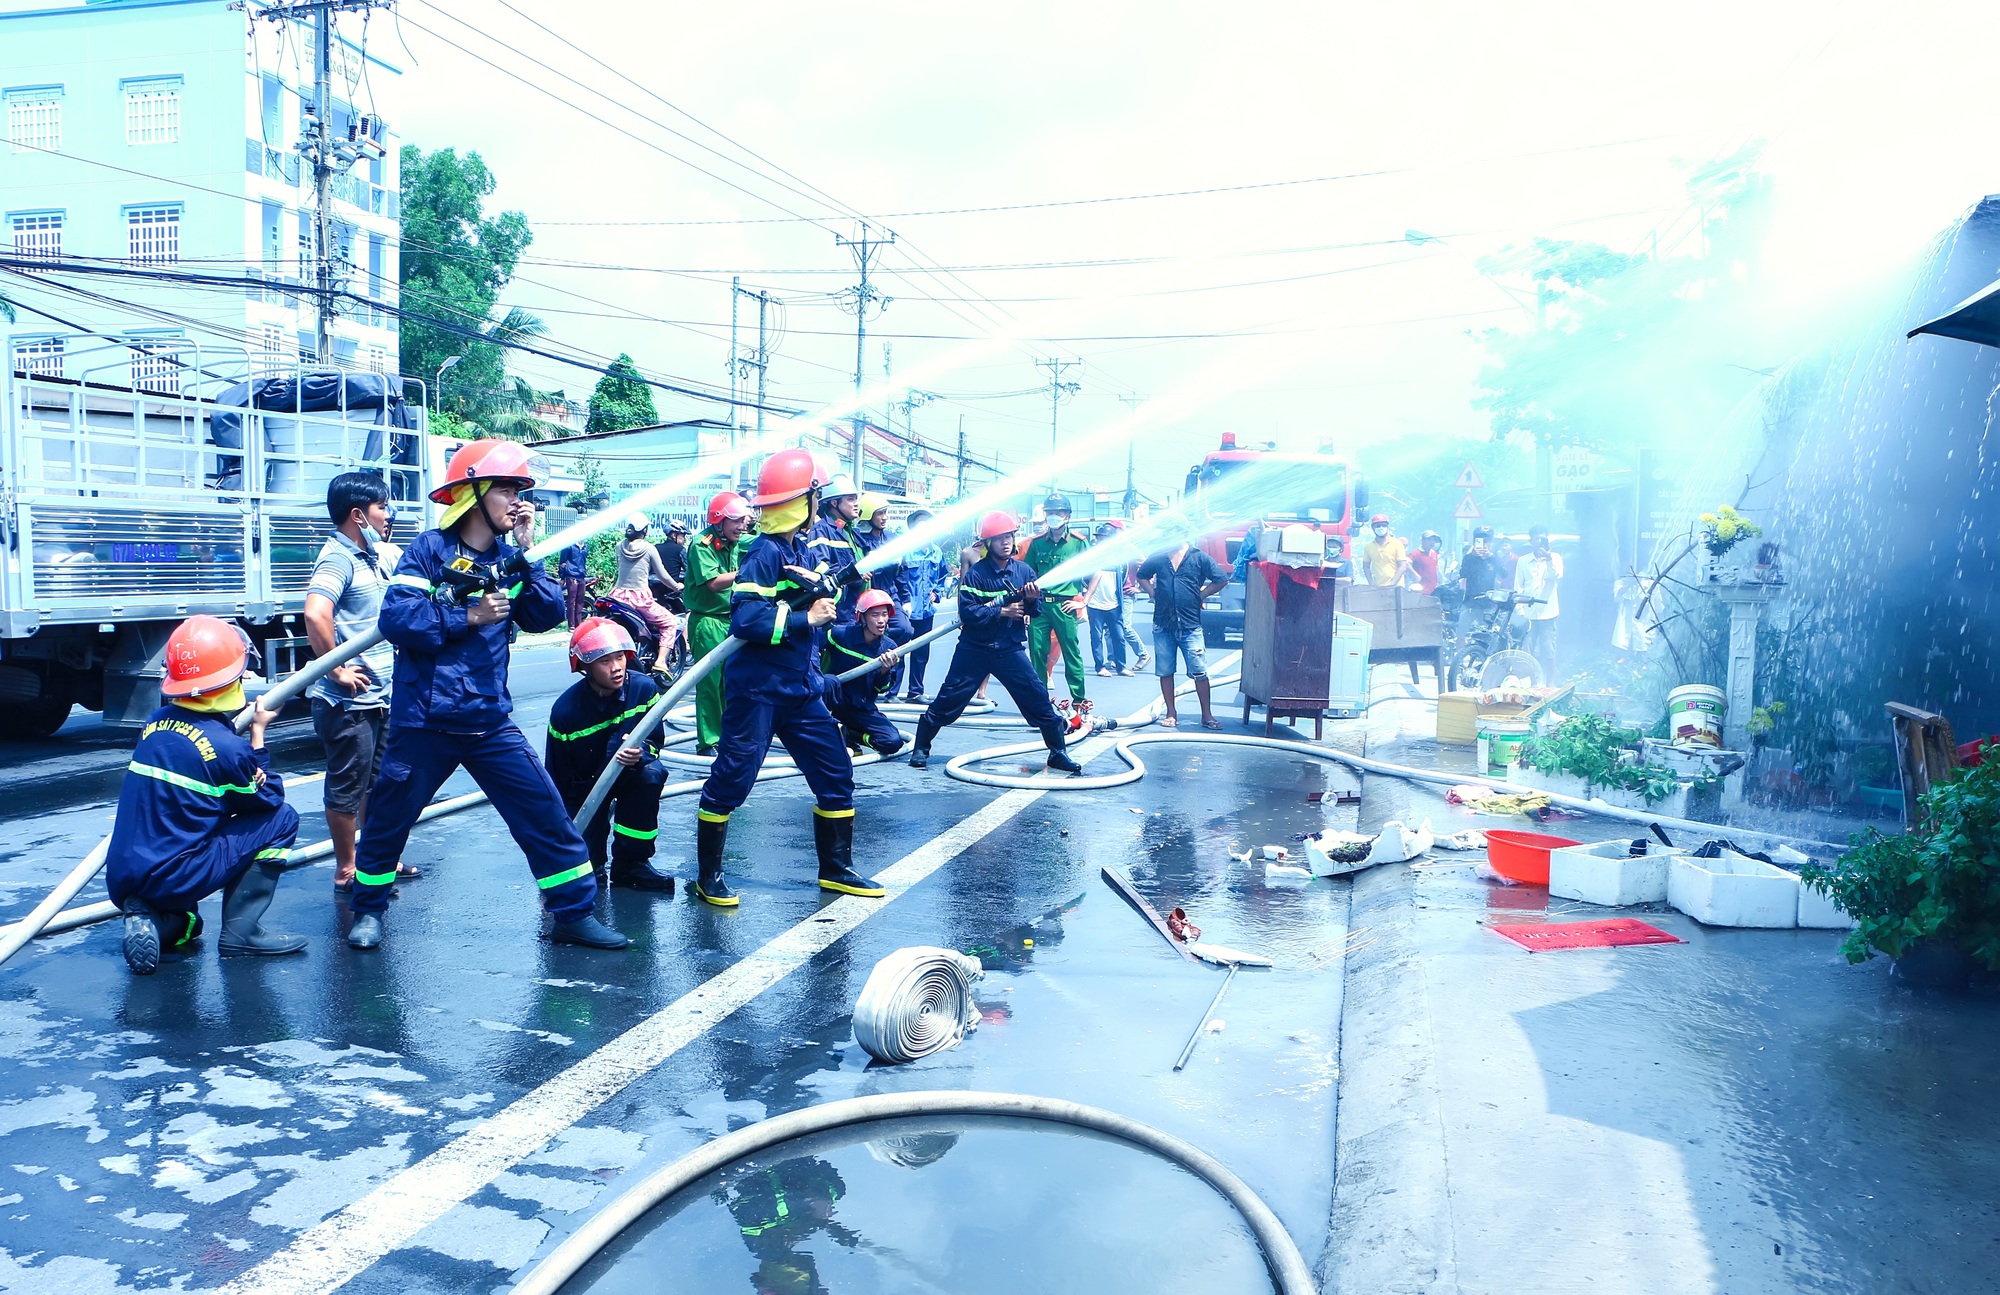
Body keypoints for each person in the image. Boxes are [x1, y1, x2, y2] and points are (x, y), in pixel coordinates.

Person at [349, 438, 627, 952]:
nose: (518, 500)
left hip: (488, 722)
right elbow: (398, 618)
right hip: (425, 720)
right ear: (471, 492)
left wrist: (528, 553)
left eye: (522, 491)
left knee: (545, 814)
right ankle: (367, 912)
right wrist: (468, 615)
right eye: (507, 488)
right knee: (388, 821)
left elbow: (545, 616)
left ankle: (572, 913)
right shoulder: (428, 550)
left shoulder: (510, 558)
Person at [695, 449, 882, 907]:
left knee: (835, 772)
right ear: (807, 499)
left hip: (800, 689)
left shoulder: (798, 547)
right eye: (818, 495)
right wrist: (806, 618)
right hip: (758, 691)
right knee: (732, 779)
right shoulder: (763, 551)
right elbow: (746, 620)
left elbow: (804, 594)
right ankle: (708, 876)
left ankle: (836, 870)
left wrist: (831, 588)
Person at [108, 616, 304, 974]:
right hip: (176, 874)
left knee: (188, 927)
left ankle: (155, 918)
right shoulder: (227, 749)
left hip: (126, 873)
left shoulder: (152, 724)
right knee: (283, 819)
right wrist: (257, 737)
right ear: (230, 680)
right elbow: (268, 798)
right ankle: (240, 934)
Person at [303, 471, 415, 894]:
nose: (390, 515)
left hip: (383, 694)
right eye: (382, 507)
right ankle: (347, 868)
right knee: (349, 786)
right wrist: (336, 670)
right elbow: (316, 613)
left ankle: (376, 858)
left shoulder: (377, 555)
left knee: (380, 782)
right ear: (357, 515)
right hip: (347, 703)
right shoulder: (339, 558)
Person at [908, 511, 1084, 773]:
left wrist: (1033, 601)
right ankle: (921, 747)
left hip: (1009, 649)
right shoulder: (977, 574)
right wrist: (1002, 611)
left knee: (1037, 697)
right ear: (988, 543)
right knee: (948, 699)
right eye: (1000, 538)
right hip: (974, 649)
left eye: (1010, 537)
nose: (1006, 542)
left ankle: (1057, 753)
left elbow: (1034, 613)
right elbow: (968, 613)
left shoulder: (1024, 571)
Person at [544, 618, 677, 893]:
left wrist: (641, 754)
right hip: (584, 791)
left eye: (620, 657)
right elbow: (558, 778)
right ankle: (591, 863)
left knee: (652, 773)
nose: (616, 667)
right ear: (585, 667)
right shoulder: (566, 712)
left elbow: (655, 740)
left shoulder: (643, 690)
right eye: (605, 661)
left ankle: (632, 863)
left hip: (628, 774)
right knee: (582, 872)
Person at [1136, 522, 1230, 729]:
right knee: (1165, 670)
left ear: (1185, 535)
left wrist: (1202, 594)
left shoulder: (1199, 557)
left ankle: (1207, 715)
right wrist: (1152, 592)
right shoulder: (1160, 557)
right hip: (1163, 623)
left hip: (1190, 625)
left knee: (1199, 671)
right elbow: (1141, 575)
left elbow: (1221, 579)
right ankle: (1171, 713)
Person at [686, 490, 753, 757]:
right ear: (718, 521)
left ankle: (727, 735)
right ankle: (709, 741)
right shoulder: (702, 545)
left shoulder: (735, 541)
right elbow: (713, 584)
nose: (741, 526)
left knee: (731, 682)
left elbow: (761, 541)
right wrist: (745, 573)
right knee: (710, 685)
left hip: (731, 620)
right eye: (735, 521)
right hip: (708, 621)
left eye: (743, 521)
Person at [820, 589, 906, 756]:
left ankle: (851, 734)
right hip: (832, 702)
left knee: (892, 742)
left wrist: (884, 670)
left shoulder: (890, 648)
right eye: (875, 615)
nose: (881, 621)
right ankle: (824, 729)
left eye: (884, 614)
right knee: (827, 682)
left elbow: (883, 689)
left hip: (860, 708)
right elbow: (812, 646)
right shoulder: (839, 635)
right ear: (862, 617)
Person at [1023, 492, 1091, 706]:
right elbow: (1028, 575)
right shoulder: (1036, 545)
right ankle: (1040, 701)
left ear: (1067, 516)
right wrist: (1027, 607)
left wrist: (1084, 601)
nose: (1053, 516)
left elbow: (1096, 572)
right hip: (1040, 605)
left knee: (1071, 653)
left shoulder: (1078, 543)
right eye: (1050, 512)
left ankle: (1079, 700)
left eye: (1058, 512)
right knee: (1037, 653)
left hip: (1065, 605)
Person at [852, 493, 915, 693]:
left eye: (886, 513)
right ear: (868, 515)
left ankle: (893, 689)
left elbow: (902, 572)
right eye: (880, 513)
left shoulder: (892, 540)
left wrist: (905, 600)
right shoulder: (858, 539)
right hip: (866, 595)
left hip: (890, 595)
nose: (884, 517)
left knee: (905, 630)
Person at [897, 508, 950, 702]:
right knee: (899, 651)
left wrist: (937, 592)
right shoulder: (904, 551)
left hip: (927, 611)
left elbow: (942, 576)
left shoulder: (936, 552)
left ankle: (915, 691)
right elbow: (897, 578)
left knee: (921, 652)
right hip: (906, 610)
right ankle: (892, 692)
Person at [609, 512, 680, 646]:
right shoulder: (649, 549)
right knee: (670, 622)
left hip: (618, 596)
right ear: (645, 530)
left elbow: (620, 568)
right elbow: (663, 575)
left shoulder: (619, 546)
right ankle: (661, 661)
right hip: (640, 600)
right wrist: (677, 586)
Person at [803, 472, 863, 623]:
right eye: (850, 499)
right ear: (834, 503)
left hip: (857, 609)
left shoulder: (851, 531)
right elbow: (819, 568)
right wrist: (854, 575)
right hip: (840, 613)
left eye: (856, 498)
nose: (856, 503)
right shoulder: (821, 530)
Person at [1084, 521, 1135, 676]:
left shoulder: (1120, 559)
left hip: (1113, 603)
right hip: (1095, 604)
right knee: (1096, 637)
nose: (1101, 541)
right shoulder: (1091, 557)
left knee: (1118, 636)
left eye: (1105, 538)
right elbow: (1085, 578)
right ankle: (1100, 667)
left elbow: (1123, 577)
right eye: (1100, 538)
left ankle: (1121, 666)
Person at [1514, 524, 1564, 669]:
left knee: (1548, 650)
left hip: (1548, 613)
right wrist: (1520, 610)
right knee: (1527, 649)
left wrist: (1549, 559)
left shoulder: (1555, 558)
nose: (1540, 542)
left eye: (1543, 539)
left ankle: (1549, 684)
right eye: (1537, 539)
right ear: (1531, 541)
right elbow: (1518, 587)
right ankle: (1529, 682)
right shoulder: (1523, 561)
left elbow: (1556, 576)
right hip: (1528, 613)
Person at [1456, 526, 1501, 635]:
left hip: (1488, 604)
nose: (1484, 544)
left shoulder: (1494, 558)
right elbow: (1462, 574)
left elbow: (1504, 573)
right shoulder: (1469, 558)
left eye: (1487, 541)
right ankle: (1460, 652)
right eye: (1480, 541)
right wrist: (1472, 556)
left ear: (1491, 542)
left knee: (1487, 633)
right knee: (1461, 631)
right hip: (1470, 602)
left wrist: (1491, 557)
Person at [1358, 513, 1411, 587]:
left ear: (1387, 527)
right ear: (1373, 527)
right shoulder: (1369, 547)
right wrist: (1371, 583)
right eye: (1378, 526)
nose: (1381, 528)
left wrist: (1392, 584)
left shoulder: (1397, 543)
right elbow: (1366, 567)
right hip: (1378, 587)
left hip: (1396, 587)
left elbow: (1402, 566)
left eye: (1384, 525)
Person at [654, 517, 691, 614]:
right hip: (672, 591)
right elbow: (690, 571)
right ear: (674, 535)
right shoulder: (680, 550)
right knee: (690, 613)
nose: (684, 540)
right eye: (683, 536)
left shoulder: (655, 548)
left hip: (653, 591)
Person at [558, 538, 591, 630]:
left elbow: (583, 561)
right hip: (571, 575)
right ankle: (571, 625)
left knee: (580, 600)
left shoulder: (585, 547)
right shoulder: (569, 545)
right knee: (571, 600)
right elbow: (562, 562)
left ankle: (578, 624)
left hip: (581, 575)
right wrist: (562, 577)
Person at [1411, 530, 1443, 596]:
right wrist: (1415, 574)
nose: (1432, 542)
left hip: (1433, 590)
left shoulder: (1434, 554)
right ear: (1422, 540)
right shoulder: (1416, 553)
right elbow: (1406, 563)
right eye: (1429, 540)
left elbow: (1436, 569)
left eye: (1433, 540)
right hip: (1420, 590)